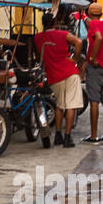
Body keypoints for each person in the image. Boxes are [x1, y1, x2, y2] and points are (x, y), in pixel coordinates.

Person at [34, 12, 83, 149]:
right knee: (70, 105)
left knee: (59, 105)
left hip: (53, 75)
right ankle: (67, 137)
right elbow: (79, 42)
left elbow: (39, 57)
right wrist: (75, 59)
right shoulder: (62, 34)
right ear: (55, 23)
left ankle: (58, 135)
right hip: (69, 72)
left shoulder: (38, 38)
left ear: (43, 24)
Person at [81, 2, 103, 144]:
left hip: (96, 67)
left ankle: (94, 136)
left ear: (89, 14)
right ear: (101, 14)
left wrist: (93, 58)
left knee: (94, 101)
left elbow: (99, 38)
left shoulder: (94, 25)